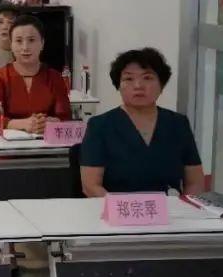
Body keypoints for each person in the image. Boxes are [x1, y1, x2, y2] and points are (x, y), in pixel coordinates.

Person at [81, 48, 204, 196]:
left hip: (170, 209)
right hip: (117, 208)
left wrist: (183, 207)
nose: (138, 85)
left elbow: (195, 182)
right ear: (118, 85)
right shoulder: (100, 125)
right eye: (128, 79)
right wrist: (122, 208)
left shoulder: (178, 123)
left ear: (161, 85)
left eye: (147, 78)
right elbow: (91, 186)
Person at [0, 15, 71, 133]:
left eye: (31, 40)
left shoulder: (55, 77)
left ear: (42, 43)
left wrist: (51, 122)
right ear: (11, 45)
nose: (25, 47)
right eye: (19, 41)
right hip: (7, 141)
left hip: (46, 140)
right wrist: (22, 124)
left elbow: (65, 116)